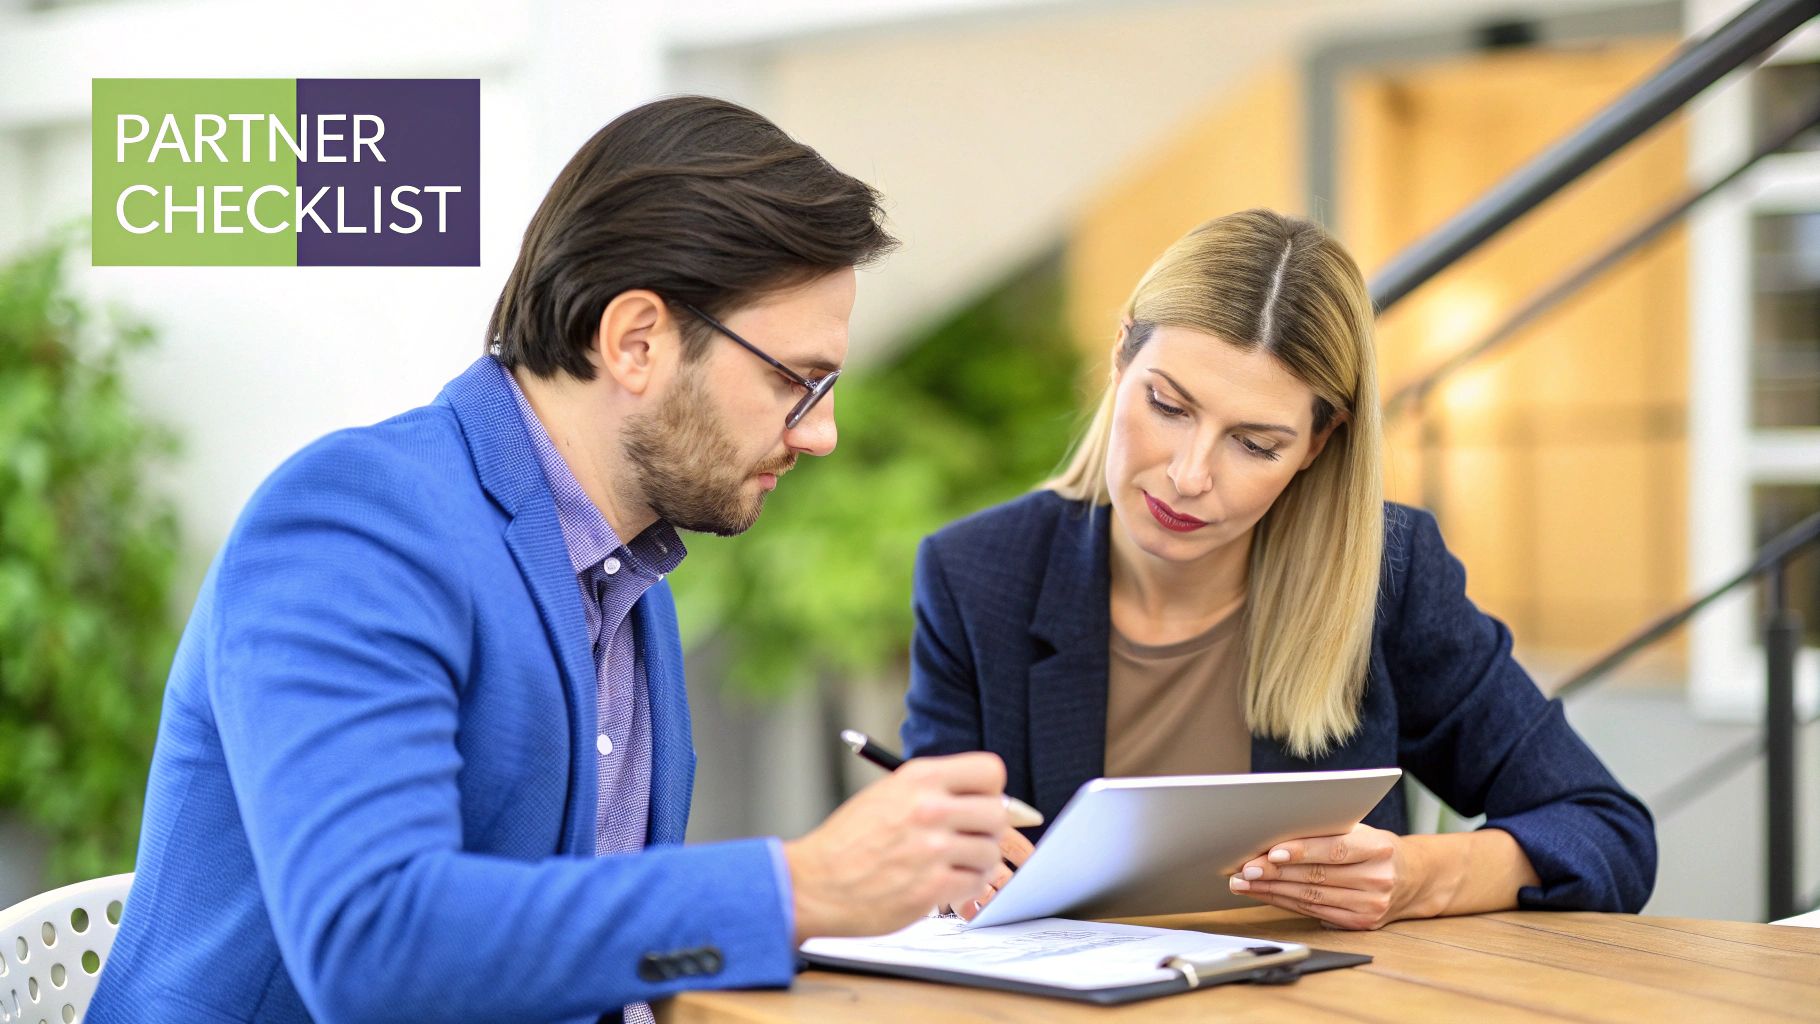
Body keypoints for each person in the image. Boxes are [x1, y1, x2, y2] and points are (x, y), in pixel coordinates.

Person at [87, 96, 1015, 1024]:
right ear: (636, 340)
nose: (822, 434)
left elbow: (570, 942)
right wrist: (797, 889)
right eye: (792, 380)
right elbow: (374, 947)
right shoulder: (357, 522)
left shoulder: (626, 581)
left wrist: (861, 899)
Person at [901, 209, 1656, 930]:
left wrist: (1418, 877)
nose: (1190, 476)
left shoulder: (1385, 577)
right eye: (1167, 405)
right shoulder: (976, 577)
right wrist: (944, 866)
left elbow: (1606, 832)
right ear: (1120, 356)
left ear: (1319, 445)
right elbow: (926, 862)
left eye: (1255, 445)